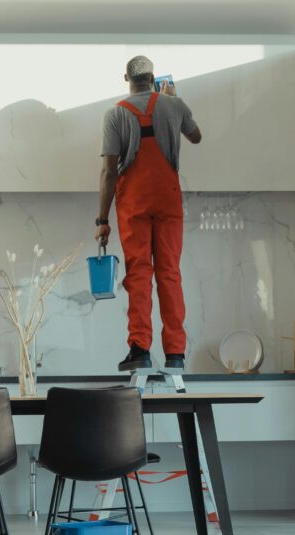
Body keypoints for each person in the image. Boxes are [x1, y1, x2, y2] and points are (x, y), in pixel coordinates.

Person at [95, 55, 202, 372]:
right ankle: (176, 353)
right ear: (154, 78)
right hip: (168, 198)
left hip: (134, 202)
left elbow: (108, 173)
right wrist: (173, 104)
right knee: (170, 273)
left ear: (125, 77)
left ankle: (140, 348)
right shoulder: (175, 104)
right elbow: (196, 136)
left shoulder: (115, 114)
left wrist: (102, 220)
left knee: (139, 274)